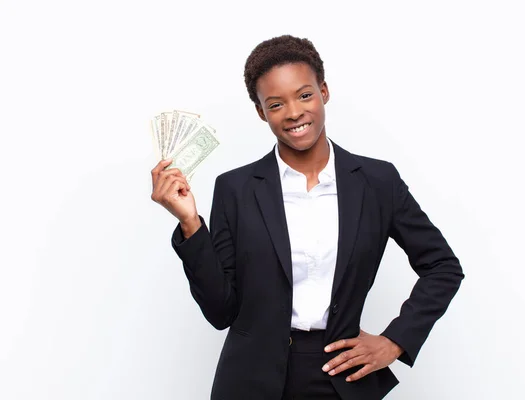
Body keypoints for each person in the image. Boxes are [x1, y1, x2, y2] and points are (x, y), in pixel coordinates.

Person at [151, 35, 464, 400]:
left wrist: (395, 341)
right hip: (250, 382)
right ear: (260, 112)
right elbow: (221, 311)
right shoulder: (236, 189)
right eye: (276, 103)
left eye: (304, 95)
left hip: (341, 375)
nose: (294, 112)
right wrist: (190, 224)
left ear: (324, 92)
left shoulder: (377, 182)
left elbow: (443, 266)